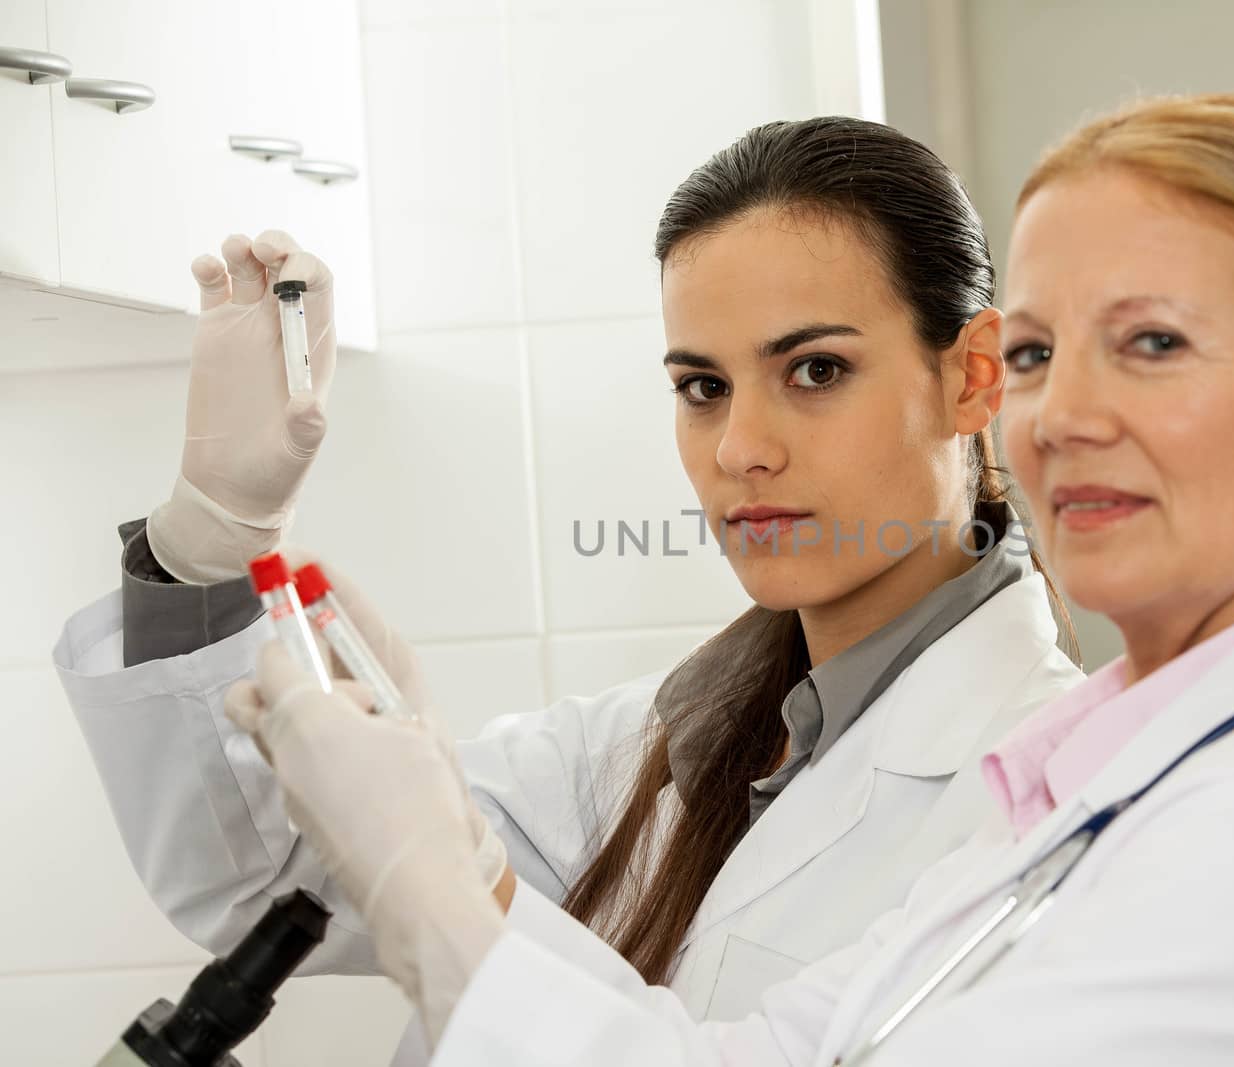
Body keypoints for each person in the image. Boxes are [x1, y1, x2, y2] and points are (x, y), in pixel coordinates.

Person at [228, 93, 1234, 1065]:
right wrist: (445, 861)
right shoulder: (1122, 774)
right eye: (1042, 353)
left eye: (1153, 342)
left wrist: (432, 885)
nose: (1064, 417)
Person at [53, 116, 1085, 1063]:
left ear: (973, 377)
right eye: (701, 387)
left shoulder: (1047, 796)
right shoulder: (638, 749)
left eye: (814, 370)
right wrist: (207, 540)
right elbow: (263, 880)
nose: (739, 447)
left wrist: (459, 869)